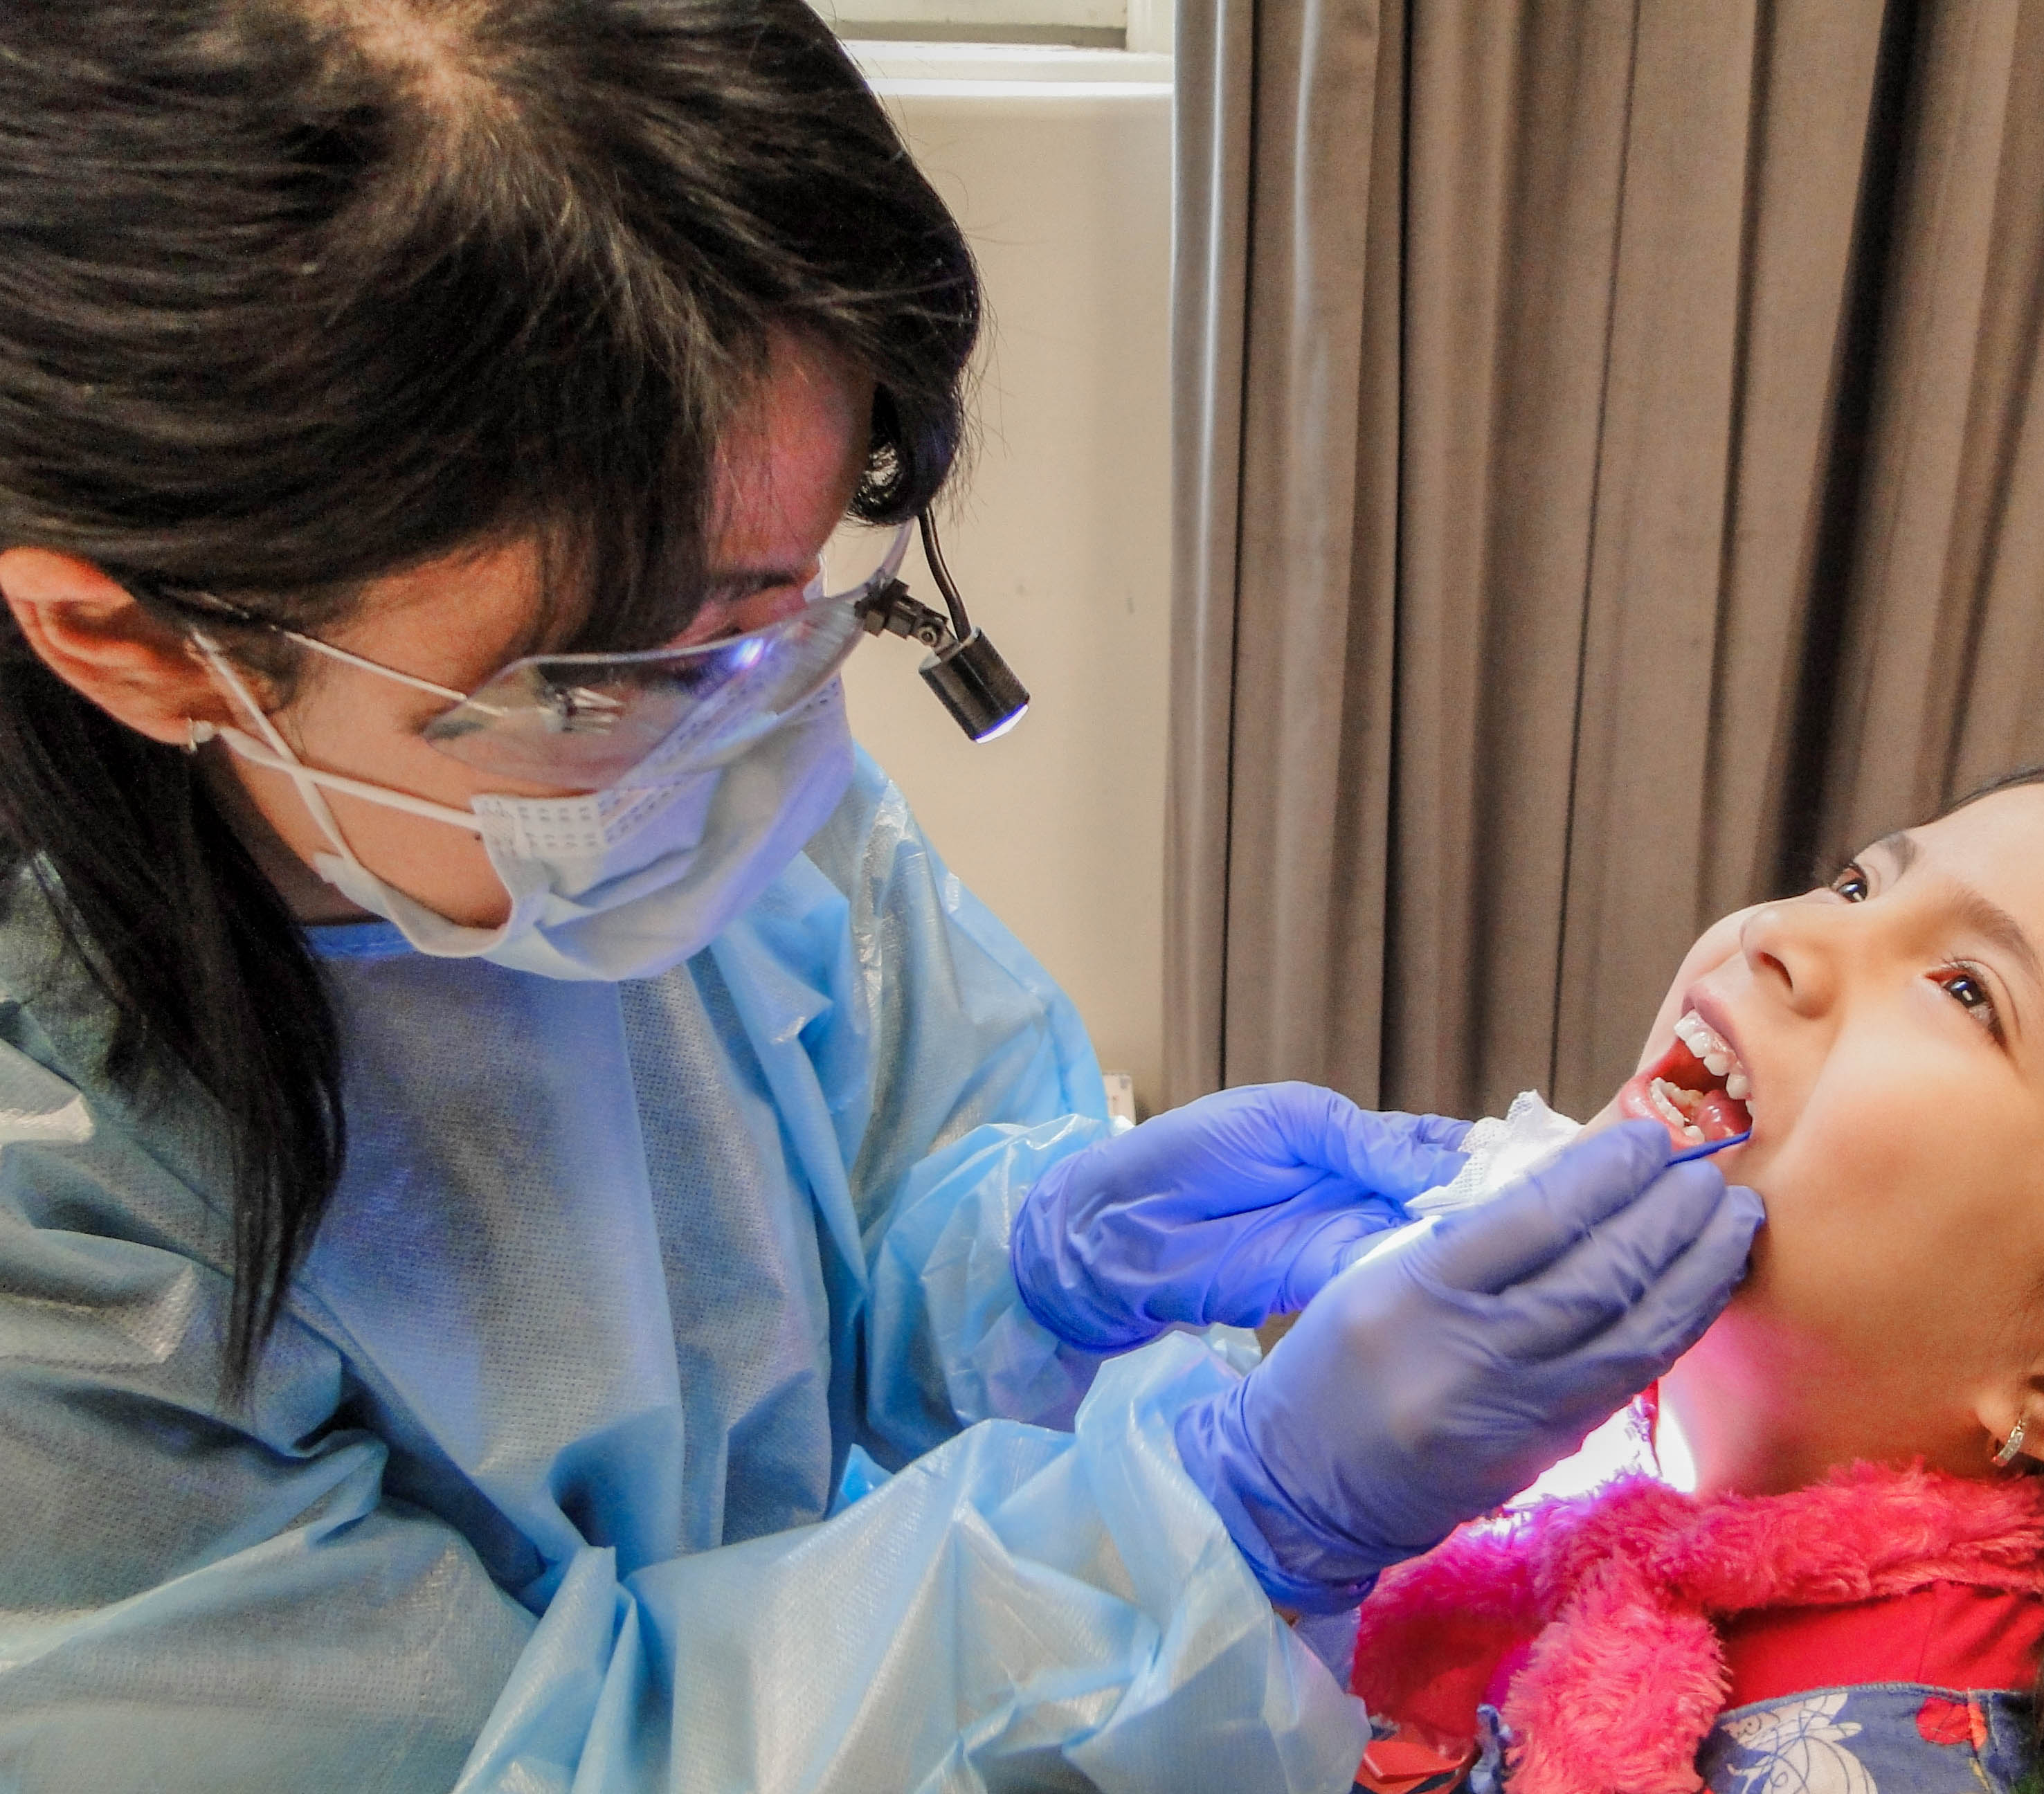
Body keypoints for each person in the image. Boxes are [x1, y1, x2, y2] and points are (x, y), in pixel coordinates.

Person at [0, 6, 1763, 1791]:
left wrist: (1035, 1267)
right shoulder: (49, 1220)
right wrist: (1215, 1535)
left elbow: (847, 1245)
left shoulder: (690, 764)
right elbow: (513, 1761)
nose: (761, 736)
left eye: (786, 604)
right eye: (608, 679)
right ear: (134, 639)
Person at [1343, 763, 2044, 1794]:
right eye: (1858, 884)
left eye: (1968, 990)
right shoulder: (1631, 1403)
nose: (1781, 933)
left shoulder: (1868, 1762)